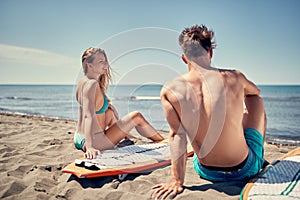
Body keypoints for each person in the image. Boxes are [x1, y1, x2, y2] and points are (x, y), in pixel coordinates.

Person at [152, 25, 266, 199]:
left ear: (184, 58)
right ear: (210, 52)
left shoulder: (170, 89)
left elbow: (177, 136)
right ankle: (258, 154)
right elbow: (255, 92)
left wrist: (176, 180)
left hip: (206, 171)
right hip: (245, 168)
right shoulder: (235, 76)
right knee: (256, 100)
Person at [74, 47, 164, 159]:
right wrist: (90, 147)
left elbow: (93, 109)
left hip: (79, 136)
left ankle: (126, 135)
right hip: (93, 141)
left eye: (105, 60)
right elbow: (88, 116)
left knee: (110, 112)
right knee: (137, 116)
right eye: (101, 61)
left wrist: (108, 107)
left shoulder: (83, 81)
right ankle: (163, 142)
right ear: (89, 65)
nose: (106, 64)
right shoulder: (92, 85)